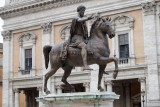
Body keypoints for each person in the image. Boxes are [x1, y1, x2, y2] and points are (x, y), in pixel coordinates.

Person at [69, 5, 93, 70]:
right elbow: (79, 20)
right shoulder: (76, 17)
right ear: (79, 11)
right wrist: (87, 18)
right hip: (76, 38)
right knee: (84, 46)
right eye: (83, 11)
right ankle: (85, 65)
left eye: (84, 11)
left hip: (82, 37)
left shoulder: (83, 20)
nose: (84, 13)